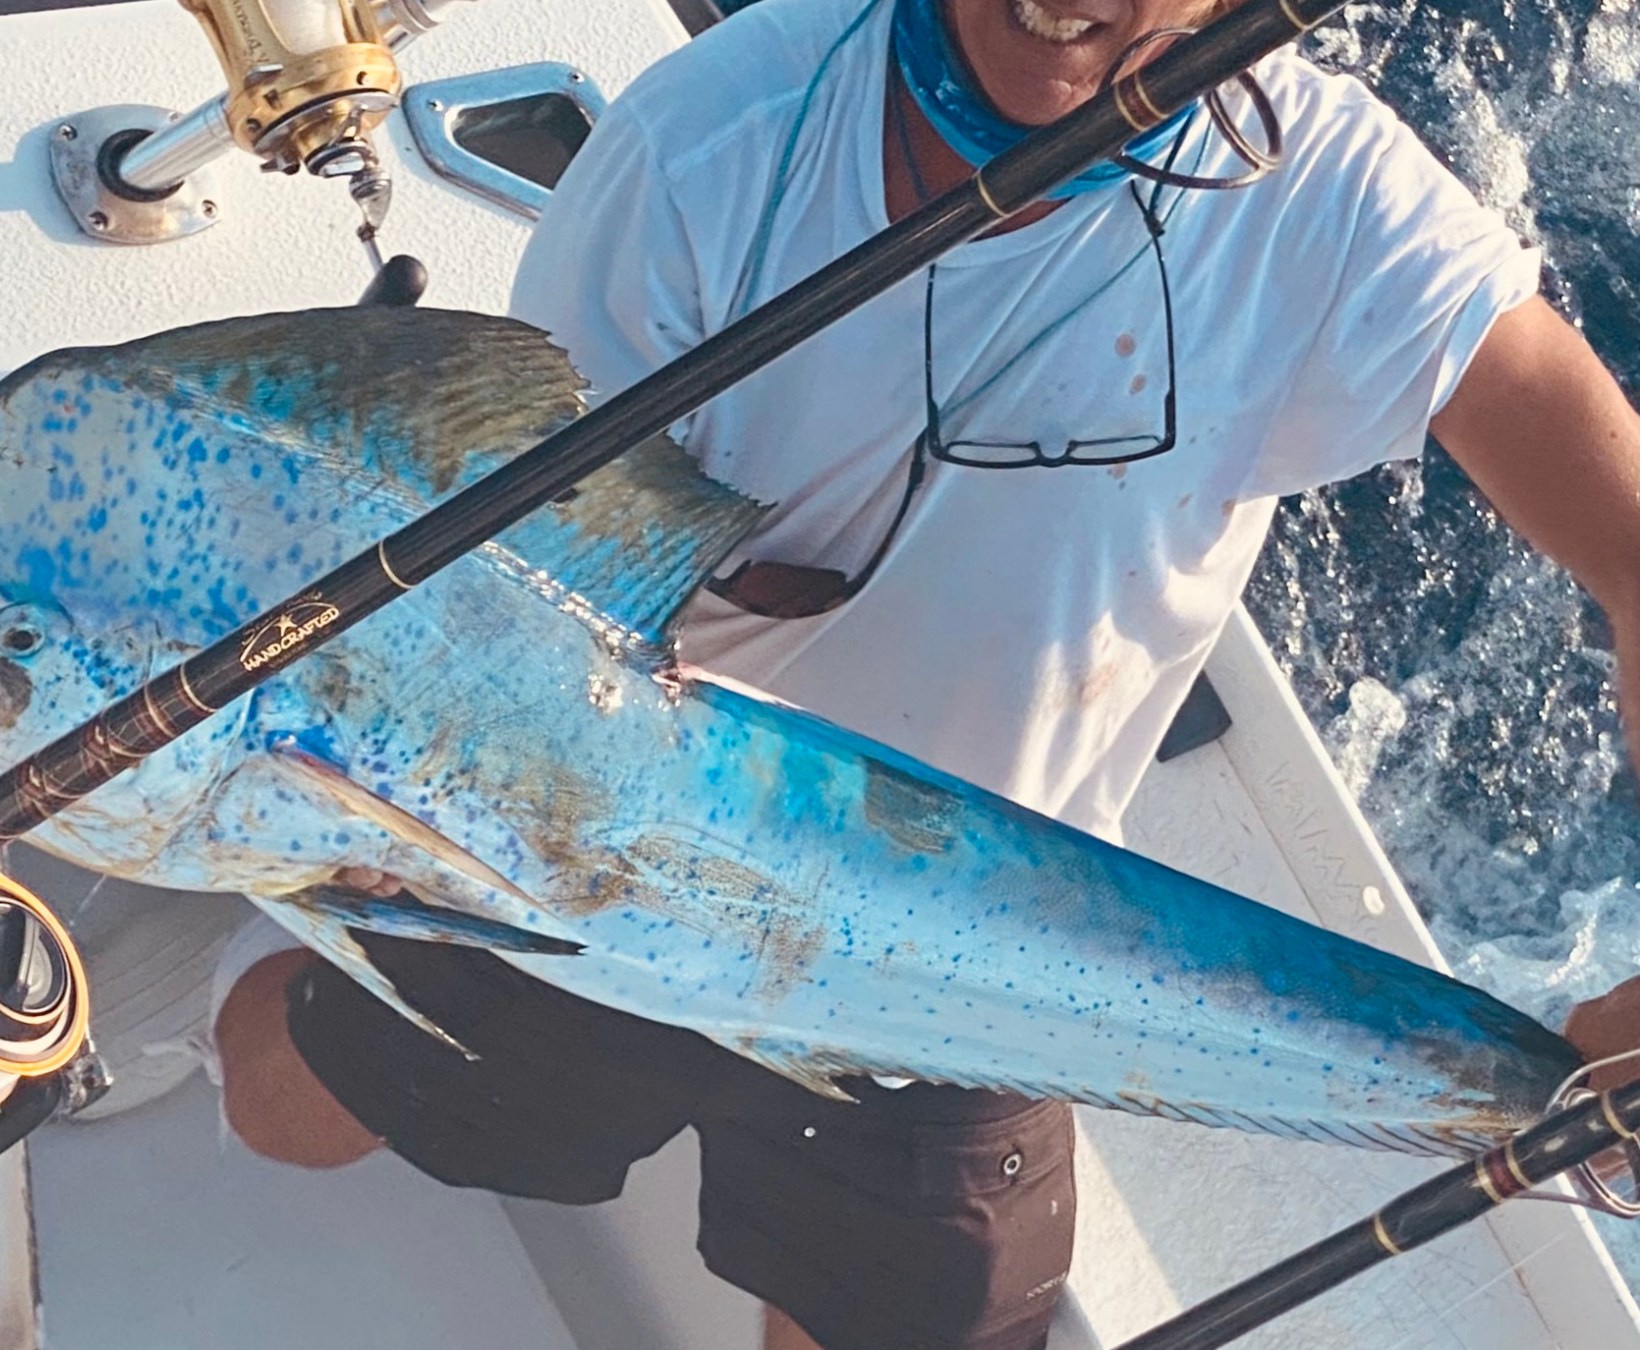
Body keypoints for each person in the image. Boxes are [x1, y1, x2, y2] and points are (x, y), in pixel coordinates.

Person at [211, 1, 1640, 1347]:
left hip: (977, 953)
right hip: (614, 864)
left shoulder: (1333, 205)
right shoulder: (706, 144)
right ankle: (227, 937)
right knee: (282, 1102)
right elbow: (523, 608)